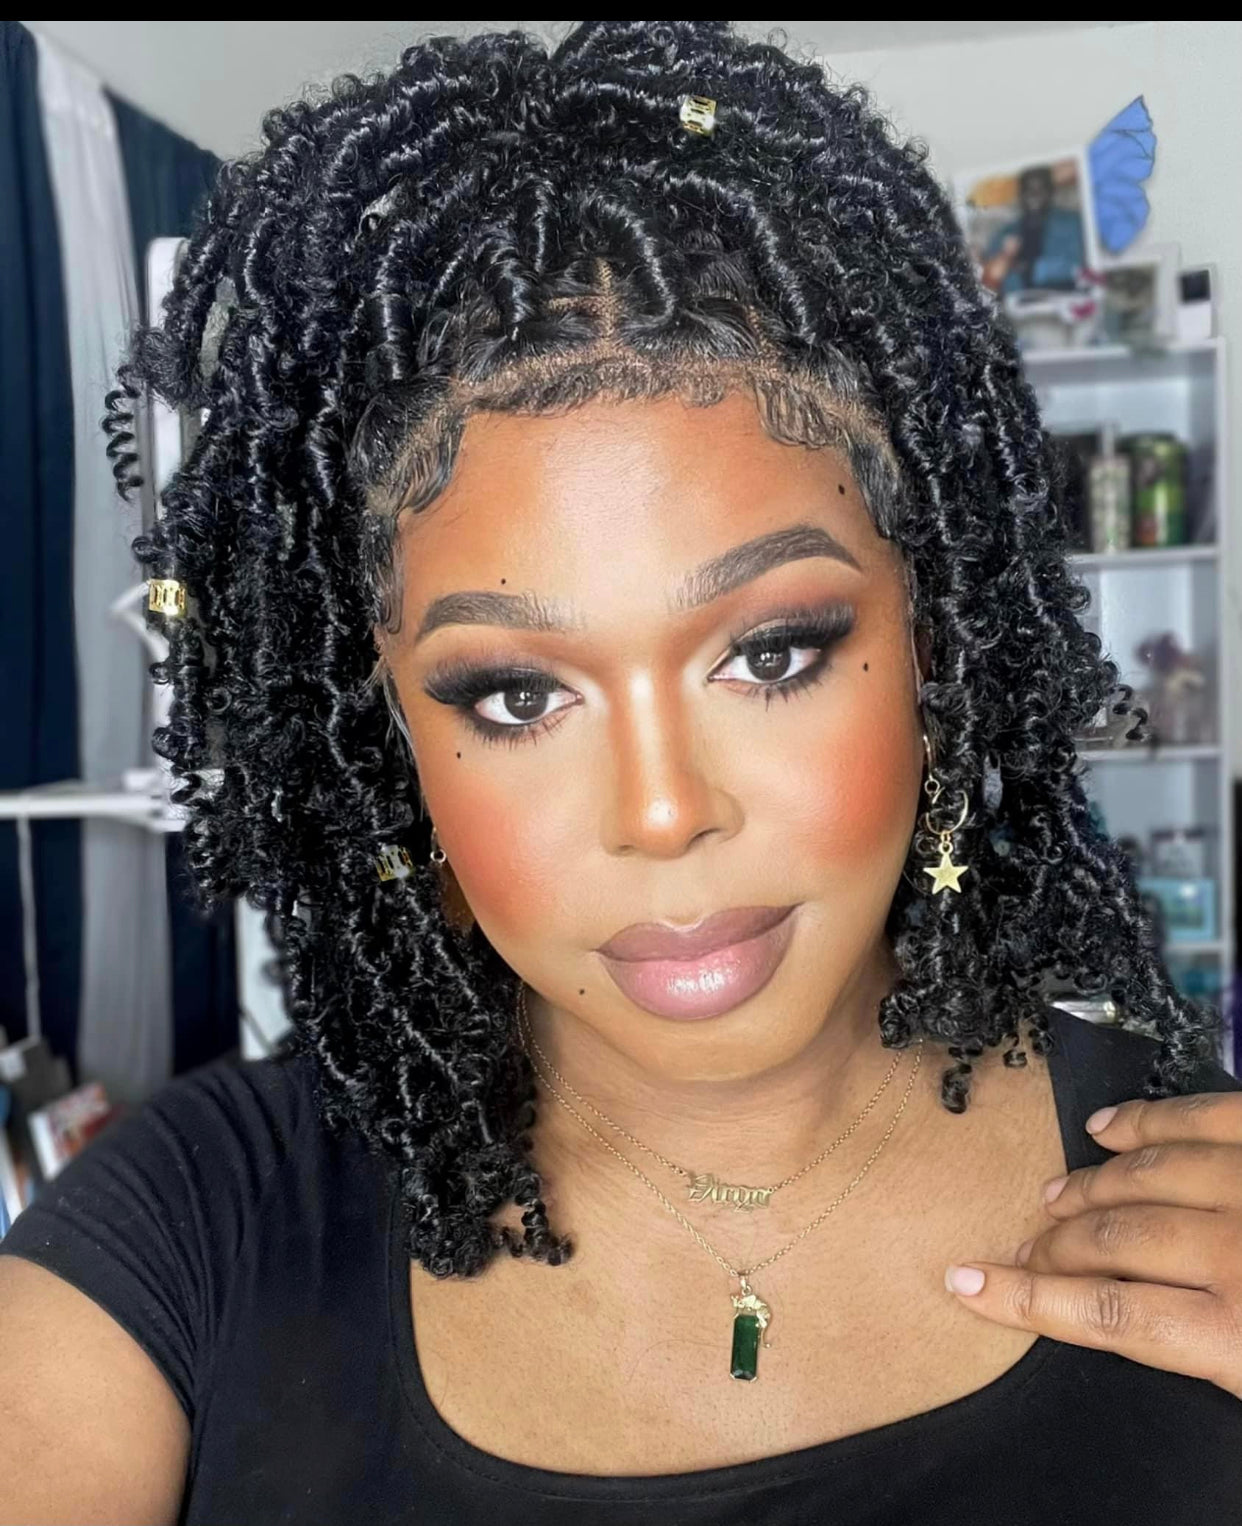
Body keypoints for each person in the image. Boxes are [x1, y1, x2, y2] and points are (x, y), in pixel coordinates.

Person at [2, 20, 1241, 1524]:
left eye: (770, 653)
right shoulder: (180, 1241)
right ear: (382, 729)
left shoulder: (1201, 1183)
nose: (662, 813)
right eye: (517, 694)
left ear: (939, 633)